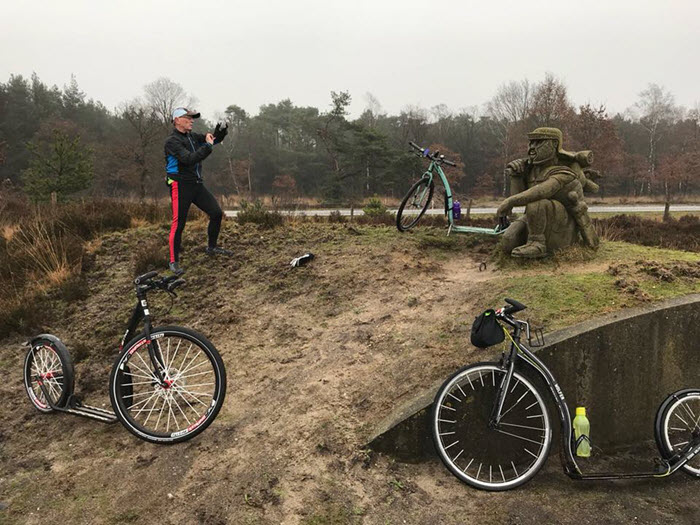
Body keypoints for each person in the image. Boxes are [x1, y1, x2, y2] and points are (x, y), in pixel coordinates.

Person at [164, 107, 231, 274]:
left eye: (193, 118)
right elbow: (188, 159)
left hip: (196, 184)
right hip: (180, 185)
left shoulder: (193, 137)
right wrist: (208, 146)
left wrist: (219, 134)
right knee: (179, 224)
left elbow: (210, 140)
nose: (192, 120)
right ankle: (173, 262)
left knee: (216, 213)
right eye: (188, 117)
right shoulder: (172, 142)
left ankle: (212, 248)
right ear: (177, 120)